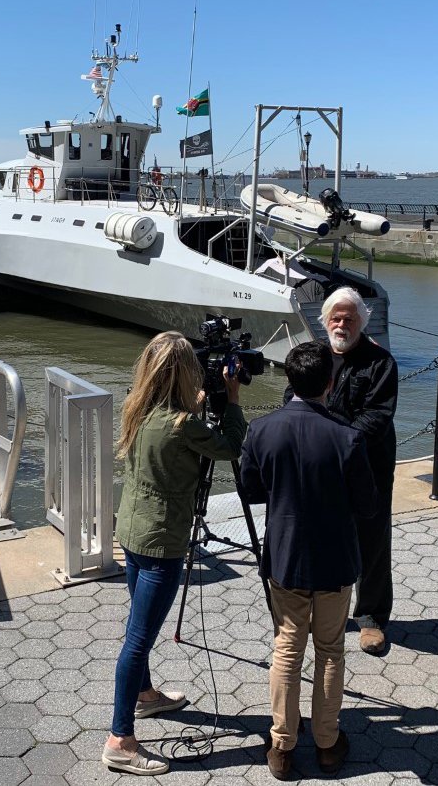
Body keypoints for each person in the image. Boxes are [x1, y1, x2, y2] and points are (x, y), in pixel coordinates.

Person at [102, 331, 247, 776]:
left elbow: (174, 438)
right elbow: (230, 446)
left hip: (132, 531)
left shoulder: (138, 407)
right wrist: (233, 399)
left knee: (137, 626)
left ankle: (145, 696)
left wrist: (197, 406)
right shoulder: (184, 424)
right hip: (162, 541)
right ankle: (120, 740)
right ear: (183, 374)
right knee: (137, 641)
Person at [241, 341, 377, 779]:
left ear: (289, 379)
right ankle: (326, 742)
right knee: (330, 649)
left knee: (287, 648)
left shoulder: (261, 430)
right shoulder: (347, 436)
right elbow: (368, 505)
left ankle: (282, 746)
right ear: (330, 383)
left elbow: (251, 490)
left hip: (286, 557)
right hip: (335, 559)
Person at [317, 286, 398, 656]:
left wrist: (334, 439)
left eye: (349, 319)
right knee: (326, 538)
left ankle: (371, 617)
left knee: (372, 543)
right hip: (324, 466)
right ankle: (326, 610)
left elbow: (377, 416)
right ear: (325, 321)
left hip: (369, 466)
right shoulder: (313, 356)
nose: (341, 324)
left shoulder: (380, 362)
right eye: (335, 318)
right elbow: (294, 397)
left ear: (361, 322)